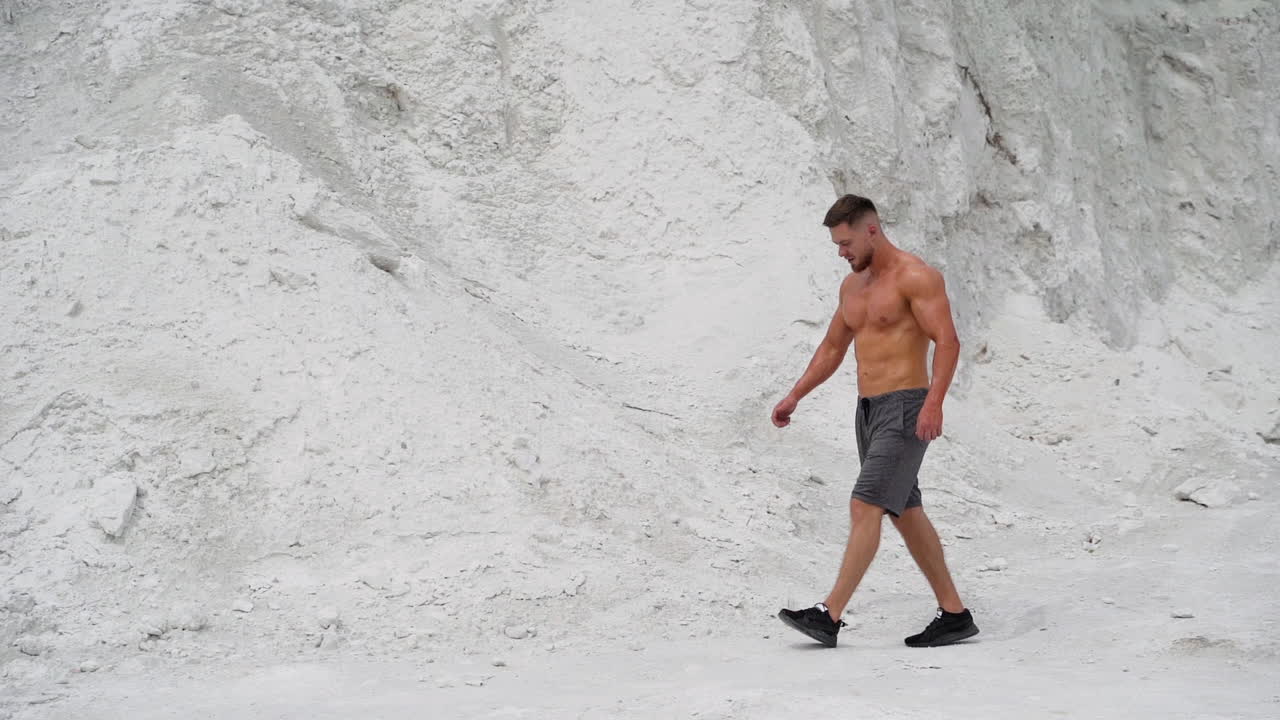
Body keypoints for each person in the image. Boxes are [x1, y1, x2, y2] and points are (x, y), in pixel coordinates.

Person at [773, 194, 979, 649]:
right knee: (906, 512)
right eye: (836, 245)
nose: (841, 253)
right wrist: (794, 395)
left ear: (871, 229)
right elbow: (831, 349)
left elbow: (947, 341)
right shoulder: (852, 289)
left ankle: (828, 615)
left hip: (907, 407)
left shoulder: (915, 277)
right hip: (868, 411)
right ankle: (955, 614)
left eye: (846, 242)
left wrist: (934, 402)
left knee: (865, 505)